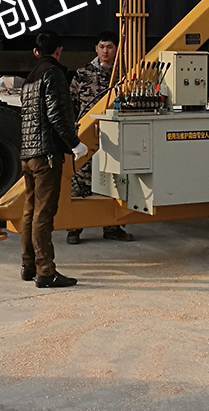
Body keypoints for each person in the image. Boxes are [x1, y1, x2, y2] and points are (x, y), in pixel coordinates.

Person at [20, 30, 87, 289]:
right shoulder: (54, 74)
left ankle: (28, 265)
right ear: (59, 50)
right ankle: (46, 271)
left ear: (36, 52)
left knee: (30, 211)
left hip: (28, 154)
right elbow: (57, 114)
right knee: (44, 214)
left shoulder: (29, 79)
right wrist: (75, 144)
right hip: (47, 154)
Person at [67, 30, 135, 245]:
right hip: (87, 134)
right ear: (96, 49)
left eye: (110, 47)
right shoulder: (83, 73)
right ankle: (74, 227)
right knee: (80, 180)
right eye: (102, 47)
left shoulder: (124, 74)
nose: (106, 51)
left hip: (114, 135)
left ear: (117, 49)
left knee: (114, 181)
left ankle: (113, 226)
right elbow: (71, 102)